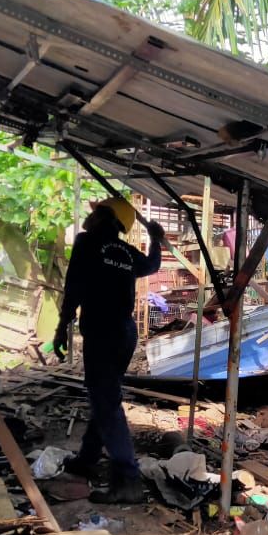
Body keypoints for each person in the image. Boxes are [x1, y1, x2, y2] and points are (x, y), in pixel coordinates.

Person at [54, 197, 163, 503]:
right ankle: (88, 459)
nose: (90, 217)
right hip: (125, 333)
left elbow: (73, 285)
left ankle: (128, 480)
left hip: (102, 332)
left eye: (97, 212)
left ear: (107, 218)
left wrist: (62, 325)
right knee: (105, 396)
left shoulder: (86, 242)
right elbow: (152, 265)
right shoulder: (128, 253)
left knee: (106, 401)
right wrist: (156, 239)